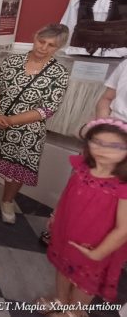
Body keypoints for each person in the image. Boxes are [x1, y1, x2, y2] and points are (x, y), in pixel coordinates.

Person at [0, 24, 70, 224]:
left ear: (58, 48)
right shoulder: (13, 61)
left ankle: (7, 201)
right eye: (41, 41)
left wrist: (8, 121)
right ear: (35, 37)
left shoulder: (59, 73)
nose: (43, 47)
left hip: (27, 131)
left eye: (51, 45)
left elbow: (47, 109)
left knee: (17, 170)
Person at [37, 118, 127, 313]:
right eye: (97, 142)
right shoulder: (82, 167)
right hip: (67, 233)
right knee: (62, 267)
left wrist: (98, 253)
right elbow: (67, 194)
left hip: (96, 244)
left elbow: (123, 229)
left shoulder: (123, 185)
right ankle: (61, 299)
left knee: (84, 281)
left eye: (115, 146)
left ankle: (75, 312)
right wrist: (56, 215)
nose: (103, 149)